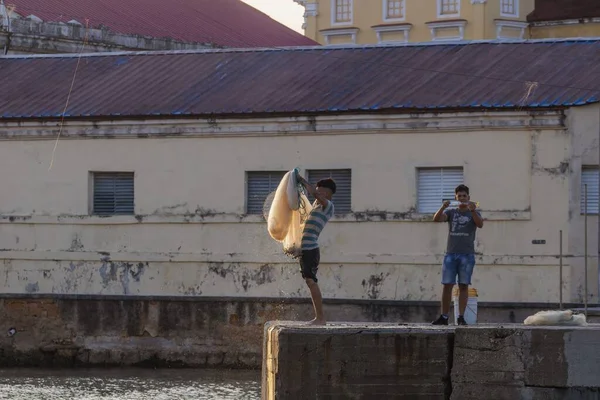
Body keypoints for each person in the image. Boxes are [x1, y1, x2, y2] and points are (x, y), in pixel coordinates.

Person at [431, 184, 483, 326]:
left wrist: (473, 211)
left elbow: (480, 224)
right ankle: (444, 317)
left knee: (463, 286)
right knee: (447, 285)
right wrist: (443, 207)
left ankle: (461, 317)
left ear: (468, 197)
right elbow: (436, 219)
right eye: (459, 196)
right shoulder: (452, 212)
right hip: (450, 254)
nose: (461, 198)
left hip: (467, 255)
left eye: (464, 196)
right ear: (456, 197)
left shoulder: (474, 212)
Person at [296, 173, 336, 325]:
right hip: (305, 249)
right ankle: (319, 317)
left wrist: (300, 179)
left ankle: (320, 318)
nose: (316, 194)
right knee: (309, 281)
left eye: (319, 191)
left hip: (311, 249)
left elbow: (312, 192)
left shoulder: (328, 206)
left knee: (311, 281)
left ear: (325, 192)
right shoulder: (316, 207)